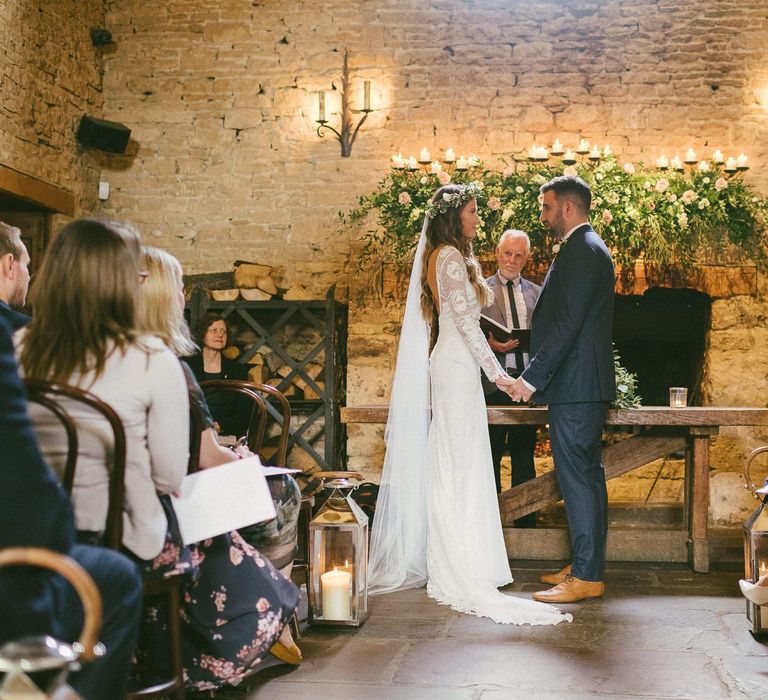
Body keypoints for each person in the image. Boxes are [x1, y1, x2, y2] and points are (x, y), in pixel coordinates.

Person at [19, 220, 298, 691]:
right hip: (121, 539)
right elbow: (170, 476)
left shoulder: (18, 347)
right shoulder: (150, 358)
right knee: (250, 571)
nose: (142, 281)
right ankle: (175, 663)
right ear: (114, 281)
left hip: (36, 532)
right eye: (136, 272)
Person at [368, 184, 570, 626]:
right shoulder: (450, 257)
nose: (478, 219)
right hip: (458, 368)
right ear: (454, 215)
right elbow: (464, 325)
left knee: (461, 460)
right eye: (474, 212)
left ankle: (463, 556)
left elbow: (458, 321)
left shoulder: (438, 256)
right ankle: (461, 563)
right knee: (462, 463)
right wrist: (500, 374)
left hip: (453, 365)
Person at [136, 245, 302, 668]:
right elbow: (202, 460)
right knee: (282, 489)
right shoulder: (171, 367)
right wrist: (250, 465)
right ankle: (272, 611)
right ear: (159, 298)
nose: (183, 299)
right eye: (178, 290)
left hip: (115, 502)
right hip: (168, 505)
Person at [0, 220, 143, 700]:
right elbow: (27, 493)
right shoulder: (147, 358)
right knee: (116, 574)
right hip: (45, 543)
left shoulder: (21, 343)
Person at [509, 175, 616, 604]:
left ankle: (588, 576)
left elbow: (567, 323)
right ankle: (585, 565)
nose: (543, 216)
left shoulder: (583, 251)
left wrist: (531, 378)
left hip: (575, 385)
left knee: (579, 477)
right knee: (585, 476)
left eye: (547, 208)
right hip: (579, 384)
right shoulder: (584, 248)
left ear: (568, 208)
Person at [481, 229, 541, 525]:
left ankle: (525, 518)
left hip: (525, 385)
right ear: (497, 253)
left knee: (523, 452)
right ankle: (490, 523)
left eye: (519, 255)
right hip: (492, 384)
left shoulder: (536, 292)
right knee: (489, 454)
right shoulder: (480, 288)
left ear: (526, 258)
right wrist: (489, 344)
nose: (512, 260)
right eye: (508, 253)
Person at [185, 313, 249, 438]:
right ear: (203, 334)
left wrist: (221, 426)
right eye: (214, 330)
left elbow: (243, 412)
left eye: (223, 331)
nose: (220, 335)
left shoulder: (237, 370)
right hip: (191, 433)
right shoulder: (188, 366)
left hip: (225, 433)